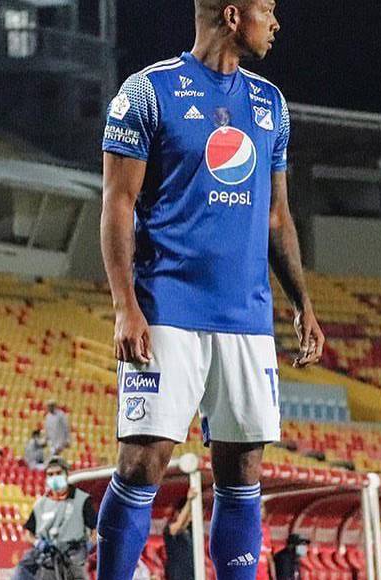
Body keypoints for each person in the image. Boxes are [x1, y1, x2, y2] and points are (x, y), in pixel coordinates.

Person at [96, 1, 325, 580]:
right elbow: (117, 204)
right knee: (144, 461)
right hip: (168, 304)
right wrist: (126, 307)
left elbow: (277, 217)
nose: (276, 23)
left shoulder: (270, 104)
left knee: (243, 469)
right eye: (267, 10)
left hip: (247, 315)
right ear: (231, 14)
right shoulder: (146, 93)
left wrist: (303, 304)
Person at [16, 457, 97, 580]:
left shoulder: (81, 500)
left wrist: (87, 547)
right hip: (48, 560)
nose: (54, 477)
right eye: (50, 474)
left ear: (66, 474)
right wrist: (38, 543)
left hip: (74, 560)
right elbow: (28, 533)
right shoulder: (41, 504)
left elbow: (96, 530)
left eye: (58, 473)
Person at [162, 487, 198, 580]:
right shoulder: (169, 529)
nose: (190, 516)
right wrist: (189, 501)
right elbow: (179, 526)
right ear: (178, 513)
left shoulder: (192, 531)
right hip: (177, 576)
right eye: (188, 513)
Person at [258, 503, 276, 580]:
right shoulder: (245, 526)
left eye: (262, 508)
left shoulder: (265, 528)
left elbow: (269, 556)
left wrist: (273, 575)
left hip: (262, 573)